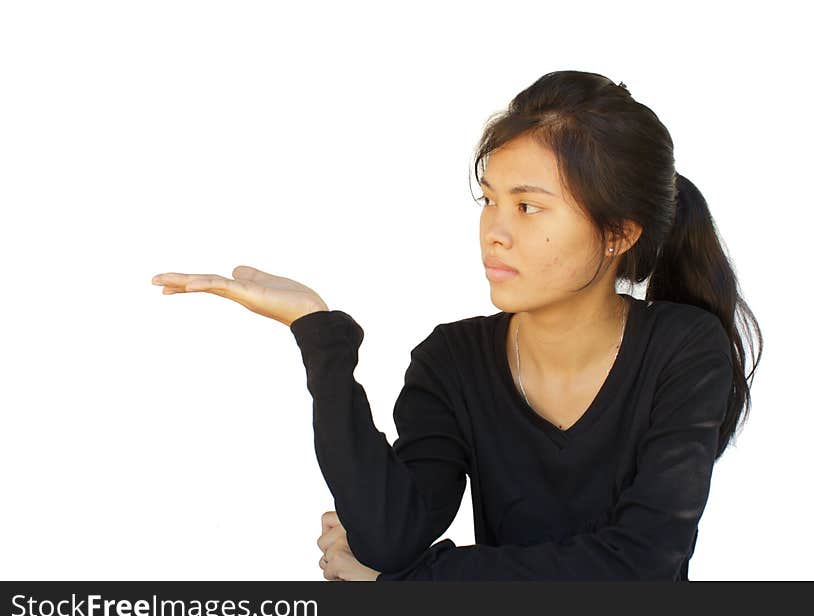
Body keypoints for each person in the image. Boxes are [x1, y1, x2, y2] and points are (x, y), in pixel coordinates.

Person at [151, 70, 762, 581]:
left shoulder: (684, 348)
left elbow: (640, 568)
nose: (495, 230)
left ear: (617, 234)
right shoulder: (453, 359)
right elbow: (391, 537)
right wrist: (317, 332)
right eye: (488, 199)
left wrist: (410, 587)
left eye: (527, 206)